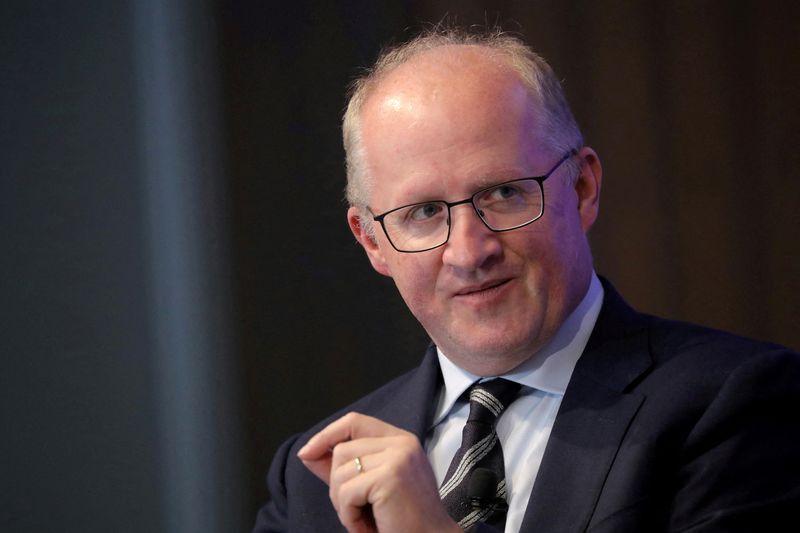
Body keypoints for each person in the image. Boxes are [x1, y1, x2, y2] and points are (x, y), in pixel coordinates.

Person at [252, 27, 800, 533]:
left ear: (582, 188)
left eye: (505, 193)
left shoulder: (738, 404)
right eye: (422, 213)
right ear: (371, 241)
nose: (469, 252)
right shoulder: (314, 478)